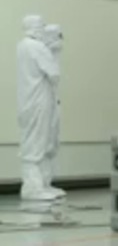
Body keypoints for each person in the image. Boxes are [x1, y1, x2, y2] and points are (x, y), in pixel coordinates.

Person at [17, 15, 62, 201]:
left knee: (41, 141)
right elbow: (54, 74)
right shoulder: (36, 47)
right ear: (35, 27)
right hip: (39, 101)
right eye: (42, 26)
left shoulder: (23, 45)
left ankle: (42, 185)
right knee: (37, 143)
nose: (44, 29)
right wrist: (54, 50)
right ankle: (33, 188)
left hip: (30, 101)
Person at [41, 24, 65, 198]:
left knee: (52, 142)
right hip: (44, 105)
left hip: (53, 103)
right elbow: (53, 75)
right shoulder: (41, 53)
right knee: (45, 143)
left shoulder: (53, 55)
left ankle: (47, 182)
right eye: (57, 36)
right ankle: (41, 184)